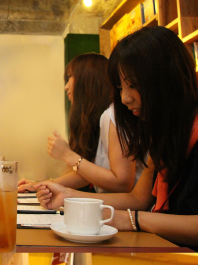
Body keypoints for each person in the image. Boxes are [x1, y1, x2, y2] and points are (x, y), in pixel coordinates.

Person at [36, 27, 198, 248]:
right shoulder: (164, 133)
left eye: (133, 85)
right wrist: (68, 196)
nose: (125, 98)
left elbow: (124, 186)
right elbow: (137, 199)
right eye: (121, 88)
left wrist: (133, 220)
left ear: (167, 76)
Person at [18, 53, 142, 194]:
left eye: (70, 77)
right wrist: (41, 185)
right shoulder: (101, 118)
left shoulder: (111, 115)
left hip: (126, 206)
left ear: (88, 79)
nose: (66, 87)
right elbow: (88, 175)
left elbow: (122, 183)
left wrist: (67, 154)